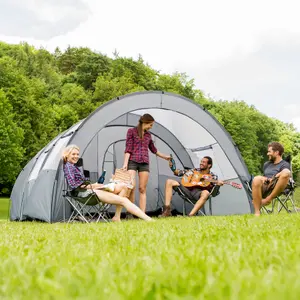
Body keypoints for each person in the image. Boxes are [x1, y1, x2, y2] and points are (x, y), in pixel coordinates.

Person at [62, 145, 152, 222]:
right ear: (67, 154)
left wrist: (96, 185)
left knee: (123, 187)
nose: (76, 156)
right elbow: (74, 185)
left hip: (90, 190)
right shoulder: (68, 166)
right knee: (123, 200)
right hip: (84, 194)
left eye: (77, 154)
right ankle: (148, 220)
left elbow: (82, 182)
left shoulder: (74, 166)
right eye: (73, 154)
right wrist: (93, 186)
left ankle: (117, 217)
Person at [120, 113, 170, 217]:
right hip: (132, 161)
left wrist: (165, 157)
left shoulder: (148, 135)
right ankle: (130, 212)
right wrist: (125, 164)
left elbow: (153, 150)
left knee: (142, 189)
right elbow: (128, 148)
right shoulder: (131, 132)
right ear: (145, 122)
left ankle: (142, 214)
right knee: (131, 187)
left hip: (144, 163)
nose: (151, 127)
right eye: (150, 125)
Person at [159, 156, 224, 217]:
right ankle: (167, 210)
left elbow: (214, 193)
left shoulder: (213, 176)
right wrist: (173, 168)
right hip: (187, 190)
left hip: (198, 194)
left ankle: (190, 215)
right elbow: (178, 172)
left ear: (209, 165)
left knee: (206, 193)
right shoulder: (194, 171)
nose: (201, 163)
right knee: (169, 181)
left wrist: (218, 185)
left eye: (203, 162)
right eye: (201, 161)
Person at [252, 142, 291, 216]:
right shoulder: (267, 164)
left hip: (277, 185)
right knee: (256, 179)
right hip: (266, 185)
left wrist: (274, 177)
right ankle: (257, 212)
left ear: (276, 152)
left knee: (286, 172)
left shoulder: (284, 164)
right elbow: (264, 176)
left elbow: (286, 173)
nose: (267, 154)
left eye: (269, 151)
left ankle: (268, 199)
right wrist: (264, 178)